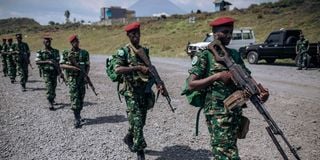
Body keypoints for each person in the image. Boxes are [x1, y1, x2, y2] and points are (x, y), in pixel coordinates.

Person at [187, 17, 268, 160]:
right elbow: (191, 84)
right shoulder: (205, 55)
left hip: (235, 108)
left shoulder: (234, 55)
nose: (229, 35)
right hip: (216, 111)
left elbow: (246, 76)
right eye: (225, 32)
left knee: (228, 147)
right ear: (214, 33)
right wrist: (217, 77)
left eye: (231, 32)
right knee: (226, 152)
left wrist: (259, 90)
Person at [113, 22, 163, 160]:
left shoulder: (144, 50)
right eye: (133, 34)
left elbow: (150, 68)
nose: (136, 36)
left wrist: (159, 83)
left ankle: (129, 137)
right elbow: (117, 69)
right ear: (128, 35)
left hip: (144, 91)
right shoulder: (123, 51)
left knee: (140, 121)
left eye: (138, 34)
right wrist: (137, 68)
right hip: (131, 93)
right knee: (138, 121)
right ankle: (140, 152)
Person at [60, 35, 90, 128]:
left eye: (77, 41)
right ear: (71, 43)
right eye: (74, 42)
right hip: (72, 79)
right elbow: (61, 65)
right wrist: (73, 67)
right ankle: (76, 118)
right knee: (74, 97)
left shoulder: (84, 53)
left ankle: (79, 114)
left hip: (82, 79)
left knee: (81, 97)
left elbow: (87, 65)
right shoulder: (66, 53)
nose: (76, 43)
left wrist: (85, 75)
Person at [35, 35, 61, 110]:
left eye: (49, 41)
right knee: (49, 87)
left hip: (54, 72)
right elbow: (37, 61)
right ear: (43, 42)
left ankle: (52, 99)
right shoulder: (40, 52)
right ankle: (50, 102)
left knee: (53, 86)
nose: (48, 43)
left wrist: (60, 73)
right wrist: (48, 61)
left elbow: (58, 63)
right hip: (46, 73)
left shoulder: (56, 51)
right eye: (46, 41)